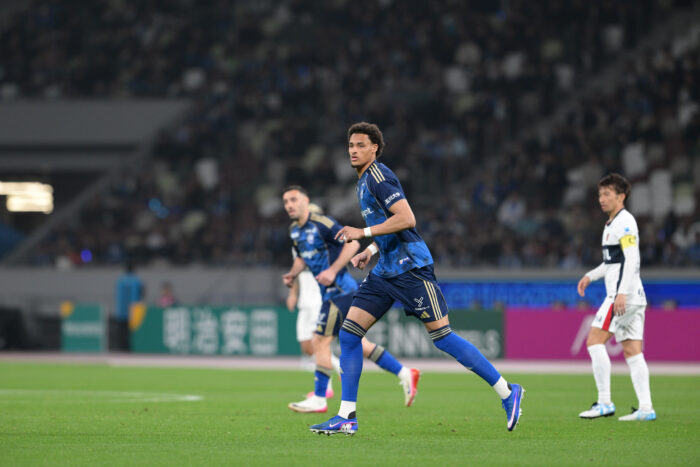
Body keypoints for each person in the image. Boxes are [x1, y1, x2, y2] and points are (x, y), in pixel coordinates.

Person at [310, 122, 524, 436]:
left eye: (360, 145)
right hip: (385, 270)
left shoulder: (379, 177)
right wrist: (371, 249)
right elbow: (390, 225)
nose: (353, 150)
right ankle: (346, 417)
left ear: (374, 148)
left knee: (443, 338)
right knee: (350, 334)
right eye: (351, 145)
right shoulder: (363, 181)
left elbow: (407, 219)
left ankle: (508, 391)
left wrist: (363, 233)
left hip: (410, 268)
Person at [282, 185, 420, 414]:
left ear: (305, 200)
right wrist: (293, 274)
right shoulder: (294, 231)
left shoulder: (322, 223)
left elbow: (353, 244)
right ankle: (405, 373)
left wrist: (332, 270)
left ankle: (319, 398)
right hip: (334, 293)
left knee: (319, 342)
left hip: (339, 292)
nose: (289, 205)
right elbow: (303, 257)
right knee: (359, 344)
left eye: (293, 200)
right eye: (286, 201)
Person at [576, 173, 655, 421]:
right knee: (632, 351)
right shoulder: (612, 224)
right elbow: (612, 263)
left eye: (607, 194)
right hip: (634, 296)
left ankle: (604, 402)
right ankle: (646, 409)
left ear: (621, 197)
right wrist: (590, 276)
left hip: (623, 296)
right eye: (600, 194)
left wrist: (621, 293)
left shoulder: (625, 222)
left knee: (594, 340)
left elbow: (632, 258)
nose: (602, 198)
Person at [286, 203, 338, 395]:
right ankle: (338, 366)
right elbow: (297, 270)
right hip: (305, 302)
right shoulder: (298, 242)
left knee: (319, 344)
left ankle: (326, 387)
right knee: (307, 346)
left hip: (318, 299)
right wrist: (293, 294)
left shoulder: (324, 244)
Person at [113, 261, 143, 351]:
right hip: (133, 311)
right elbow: (141, 294)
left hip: (121, 310)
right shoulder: (137, 281)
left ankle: (121, 348)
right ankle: (131, 348)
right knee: (132, 332)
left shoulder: (120, 281)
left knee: (121, 331)